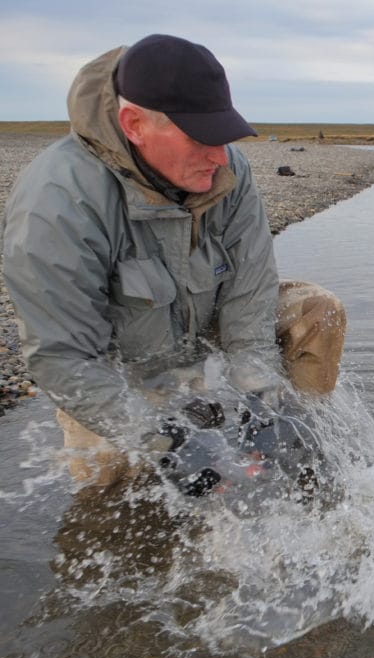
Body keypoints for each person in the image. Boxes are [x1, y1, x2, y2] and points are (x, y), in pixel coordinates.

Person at [1, 34, 346, 495]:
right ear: (135, 124)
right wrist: (167, 442)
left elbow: (249, 291)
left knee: (315, 310)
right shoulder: (56, 203)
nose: (220, 157)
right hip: (116, 365)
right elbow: (63, 357)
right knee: (115, 493)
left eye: (224, 136)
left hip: (201, 319)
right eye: (201, 138)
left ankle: (302, 452)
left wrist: (262, 398)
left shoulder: (227, 169)